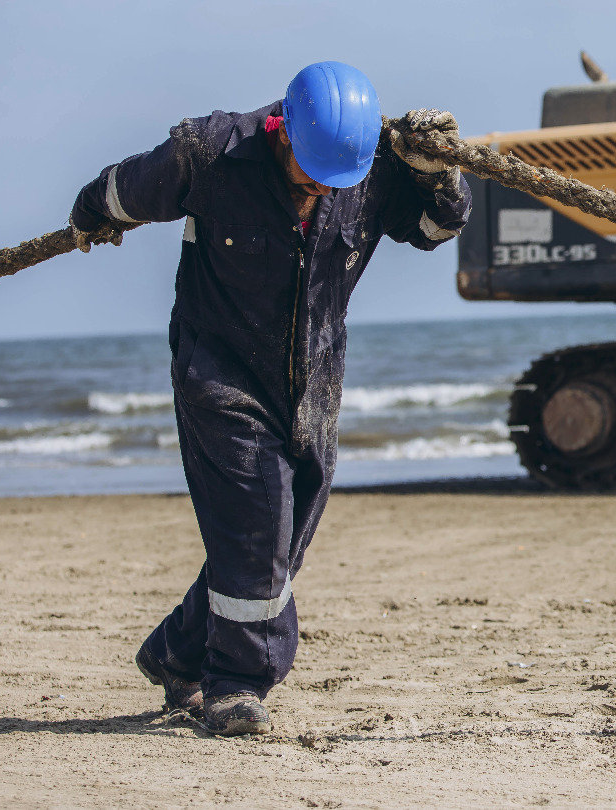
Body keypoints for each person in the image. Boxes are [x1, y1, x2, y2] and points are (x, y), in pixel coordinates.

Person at [68, 62, 470, 735]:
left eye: (333, 183)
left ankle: (176, 652)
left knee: (279, 540)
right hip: (217, 369)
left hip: (311, 383)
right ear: (282, 132)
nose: (319, 191)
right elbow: (123, 189)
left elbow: (434, 229)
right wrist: (89, 215)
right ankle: (234, 685)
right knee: (258, 518)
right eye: (309, 175)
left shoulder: (373, 165)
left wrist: (439, 175)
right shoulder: (211, 152)